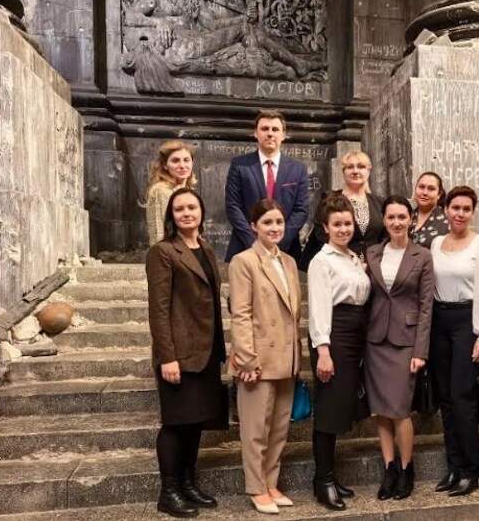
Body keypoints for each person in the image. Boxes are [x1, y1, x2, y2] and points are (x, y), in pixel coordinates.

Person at [145, 188, 227, 517]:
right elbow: (158, 310)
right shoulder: (163, 252)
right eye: (179, 209)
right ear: (171, 215)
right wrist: (167, 357)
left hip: (206, 351)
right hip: (179, 354)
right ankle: (169, 492)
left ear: (202, 211)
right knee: (176, 424)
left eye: (192, 207)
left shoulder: (205, 248)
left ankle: (188, 484)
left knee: (195, 423)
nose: (187, 213)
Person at [228, 198, 302, 515]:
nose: (274, 227)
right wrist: (246, 359)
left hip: (286, 356)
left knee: (279, 428)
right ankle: (257, 487)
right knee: (256, 429)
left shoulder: (289, 262)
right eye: (267, 222)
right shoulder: (243, 262)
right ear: (253, 226)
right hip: (258, 359)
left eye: (279, 222)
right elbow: (241, 314)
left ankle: (271, 483)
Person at [429, 186, 479, 497]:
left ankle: (471, 469)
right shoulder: (436, 243)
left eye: (466, 209)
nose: (459, 213)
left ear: (473, 212)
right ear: (446, 209)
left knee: (462, 396)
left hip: (468, 322)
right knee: (445, 398)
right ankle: (454, 466)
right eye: (455, 207)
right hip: (439, 321)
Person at [364, 196, 435, 501]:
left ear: (410, 219)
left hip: (405, 342)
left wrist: (420, 351)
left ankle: (407, 468)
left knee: (400, 410)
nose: (396, 222)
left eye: (401, 217)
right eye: (391, 217)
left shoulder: (423, 255)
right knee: (380, 410)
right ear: (384, 220)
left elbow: (426, 306)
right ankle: (389, 467)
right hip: (375, 340)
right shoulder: (371, 253)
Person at [306, 194, 371, 511]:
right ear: (325, 227)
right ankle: (323, 481)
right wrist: (323, 351)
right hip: (334, 335)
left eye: (347, 223)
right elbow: (319, 308)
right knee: (329, 408)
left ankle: (330, 475)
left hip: (356, 334)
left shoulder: (353, 258)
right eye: (337, 224)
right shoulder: (322, 260)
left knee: (341, 407)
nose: (343, 229)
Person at [225, 110, 309, 261]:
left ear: (283, 135)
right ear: (255, 133)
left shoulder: (298, 169)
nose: (270, 133)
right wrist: (255, 244)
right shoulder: (239, 166)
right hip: (245, 249)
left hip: (286, 250)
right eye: (264, 129)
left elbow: (301, 210)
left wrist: (278, 242)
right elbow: (233, 206)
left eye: (275, 129)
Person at [299, 150, 385, 268]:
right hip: (337, 266)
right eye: (350, 167)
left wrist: (373, 263)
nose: (355, 171)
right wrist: (347, 260)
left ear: (368, 171)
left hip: (373, 267)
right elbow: (322, 235)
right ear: (343, 172)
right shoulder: (329, 199)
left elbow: (385, 237)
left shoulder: (380, 203)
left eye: (361, 167)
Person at [144, 140, 196, 247]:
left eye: (186, 160)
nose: (182, 165)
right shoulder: (160, 191)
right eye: (175, 161)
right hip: (170, 253)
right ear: (165, 165)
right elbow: (158, 232)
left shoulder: (187, 190)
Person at [410, 171, 449, 249]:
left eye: (431, 189)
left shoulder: (447, 222)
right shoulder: (406, 216)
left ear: (439, 194)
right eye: (421, 187)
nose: (425, 192)